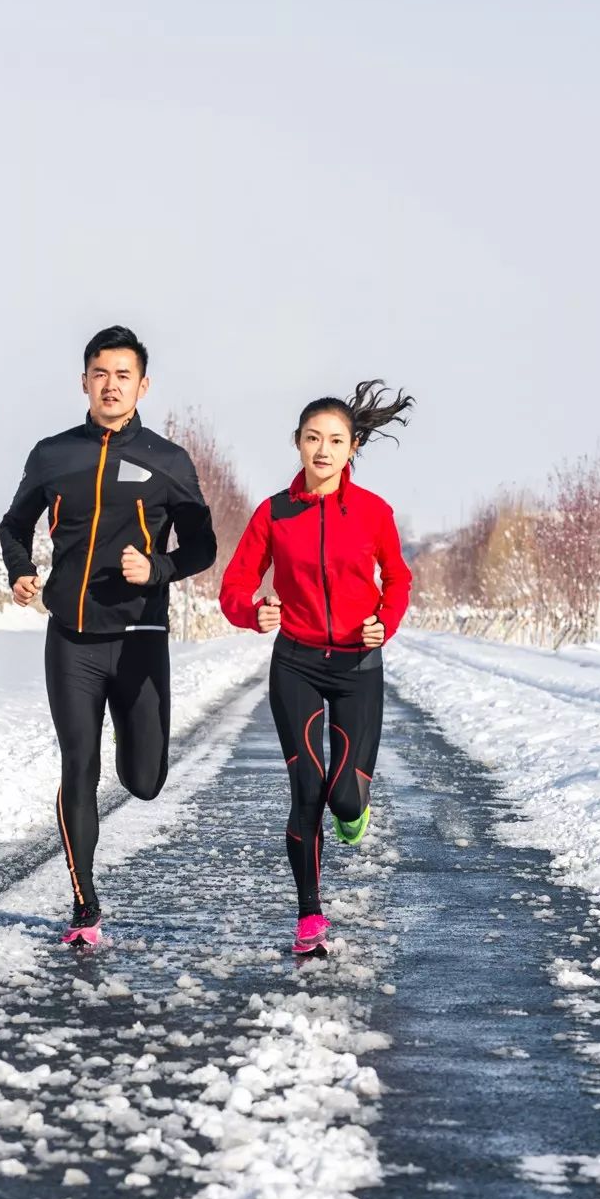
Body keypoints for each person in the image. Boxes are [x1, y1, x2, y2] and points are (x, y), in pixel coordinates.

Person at [0, 326, 217, 946]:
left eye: (124, 374)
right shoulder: (53, 454)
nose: (111, 384)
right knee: (78, 763)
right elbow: (13, 525)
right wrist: (21, 571)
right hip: (71, 635)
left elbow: (202, 545)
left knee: (144, 780)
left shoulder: (168, 460)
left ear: (142, 385)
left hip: (142, 634)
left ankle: (133, 747)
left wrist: (161, 568)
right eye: (101, 372)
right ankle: (83, 906)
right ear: (85, 380)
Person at [219, 380, 413, 954]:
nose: (322, 450)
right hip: (296, 664)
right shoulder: (274, 513)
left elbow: (398, 579)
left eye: (335, 440)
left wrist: (385, 620)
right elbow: (235, 584)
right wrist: (254, 612)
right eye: (312, 439)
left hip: (358, 666)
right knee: (305, 787)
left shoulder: (374, 513)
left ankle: (354, 814)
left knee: (344, 799)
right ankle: (309, 917)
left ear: (353, 448)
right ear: (297, 444)